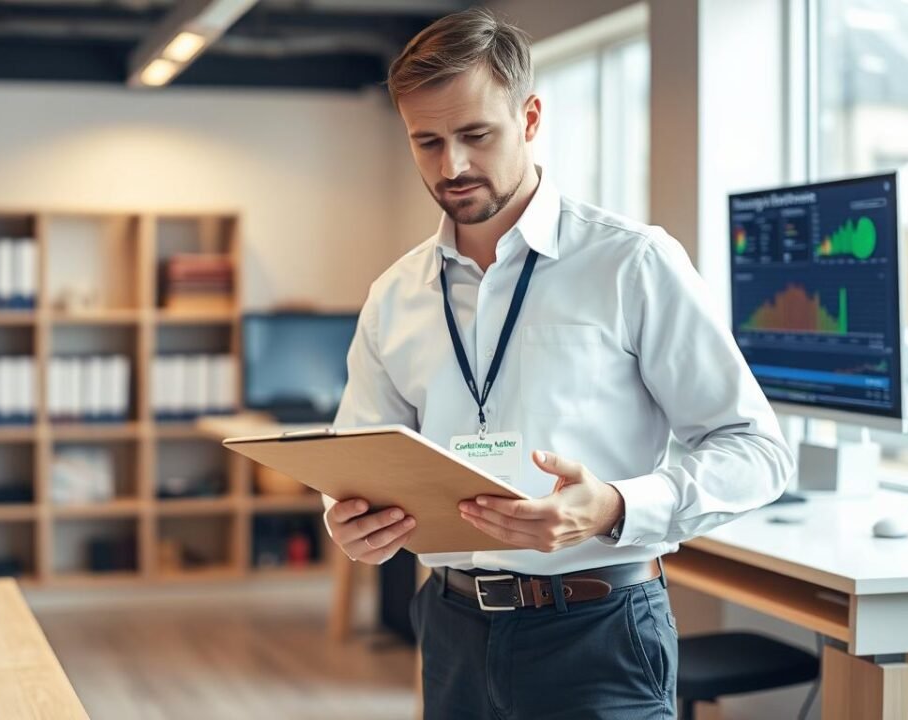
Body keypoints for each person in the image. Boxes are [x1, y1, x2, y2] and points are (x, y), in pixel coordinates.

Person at [324, 8, 795, 719]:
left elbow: (756, 451)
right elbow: (355, 458)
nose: (451, 166)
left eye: (476, 135)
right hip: (451, 630)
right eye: (427, 142)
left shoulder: (631, 262)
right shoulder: (396, 294)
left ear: (531, 117)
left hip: (599, 630)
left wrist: (614, 506)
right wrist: (347, 519)